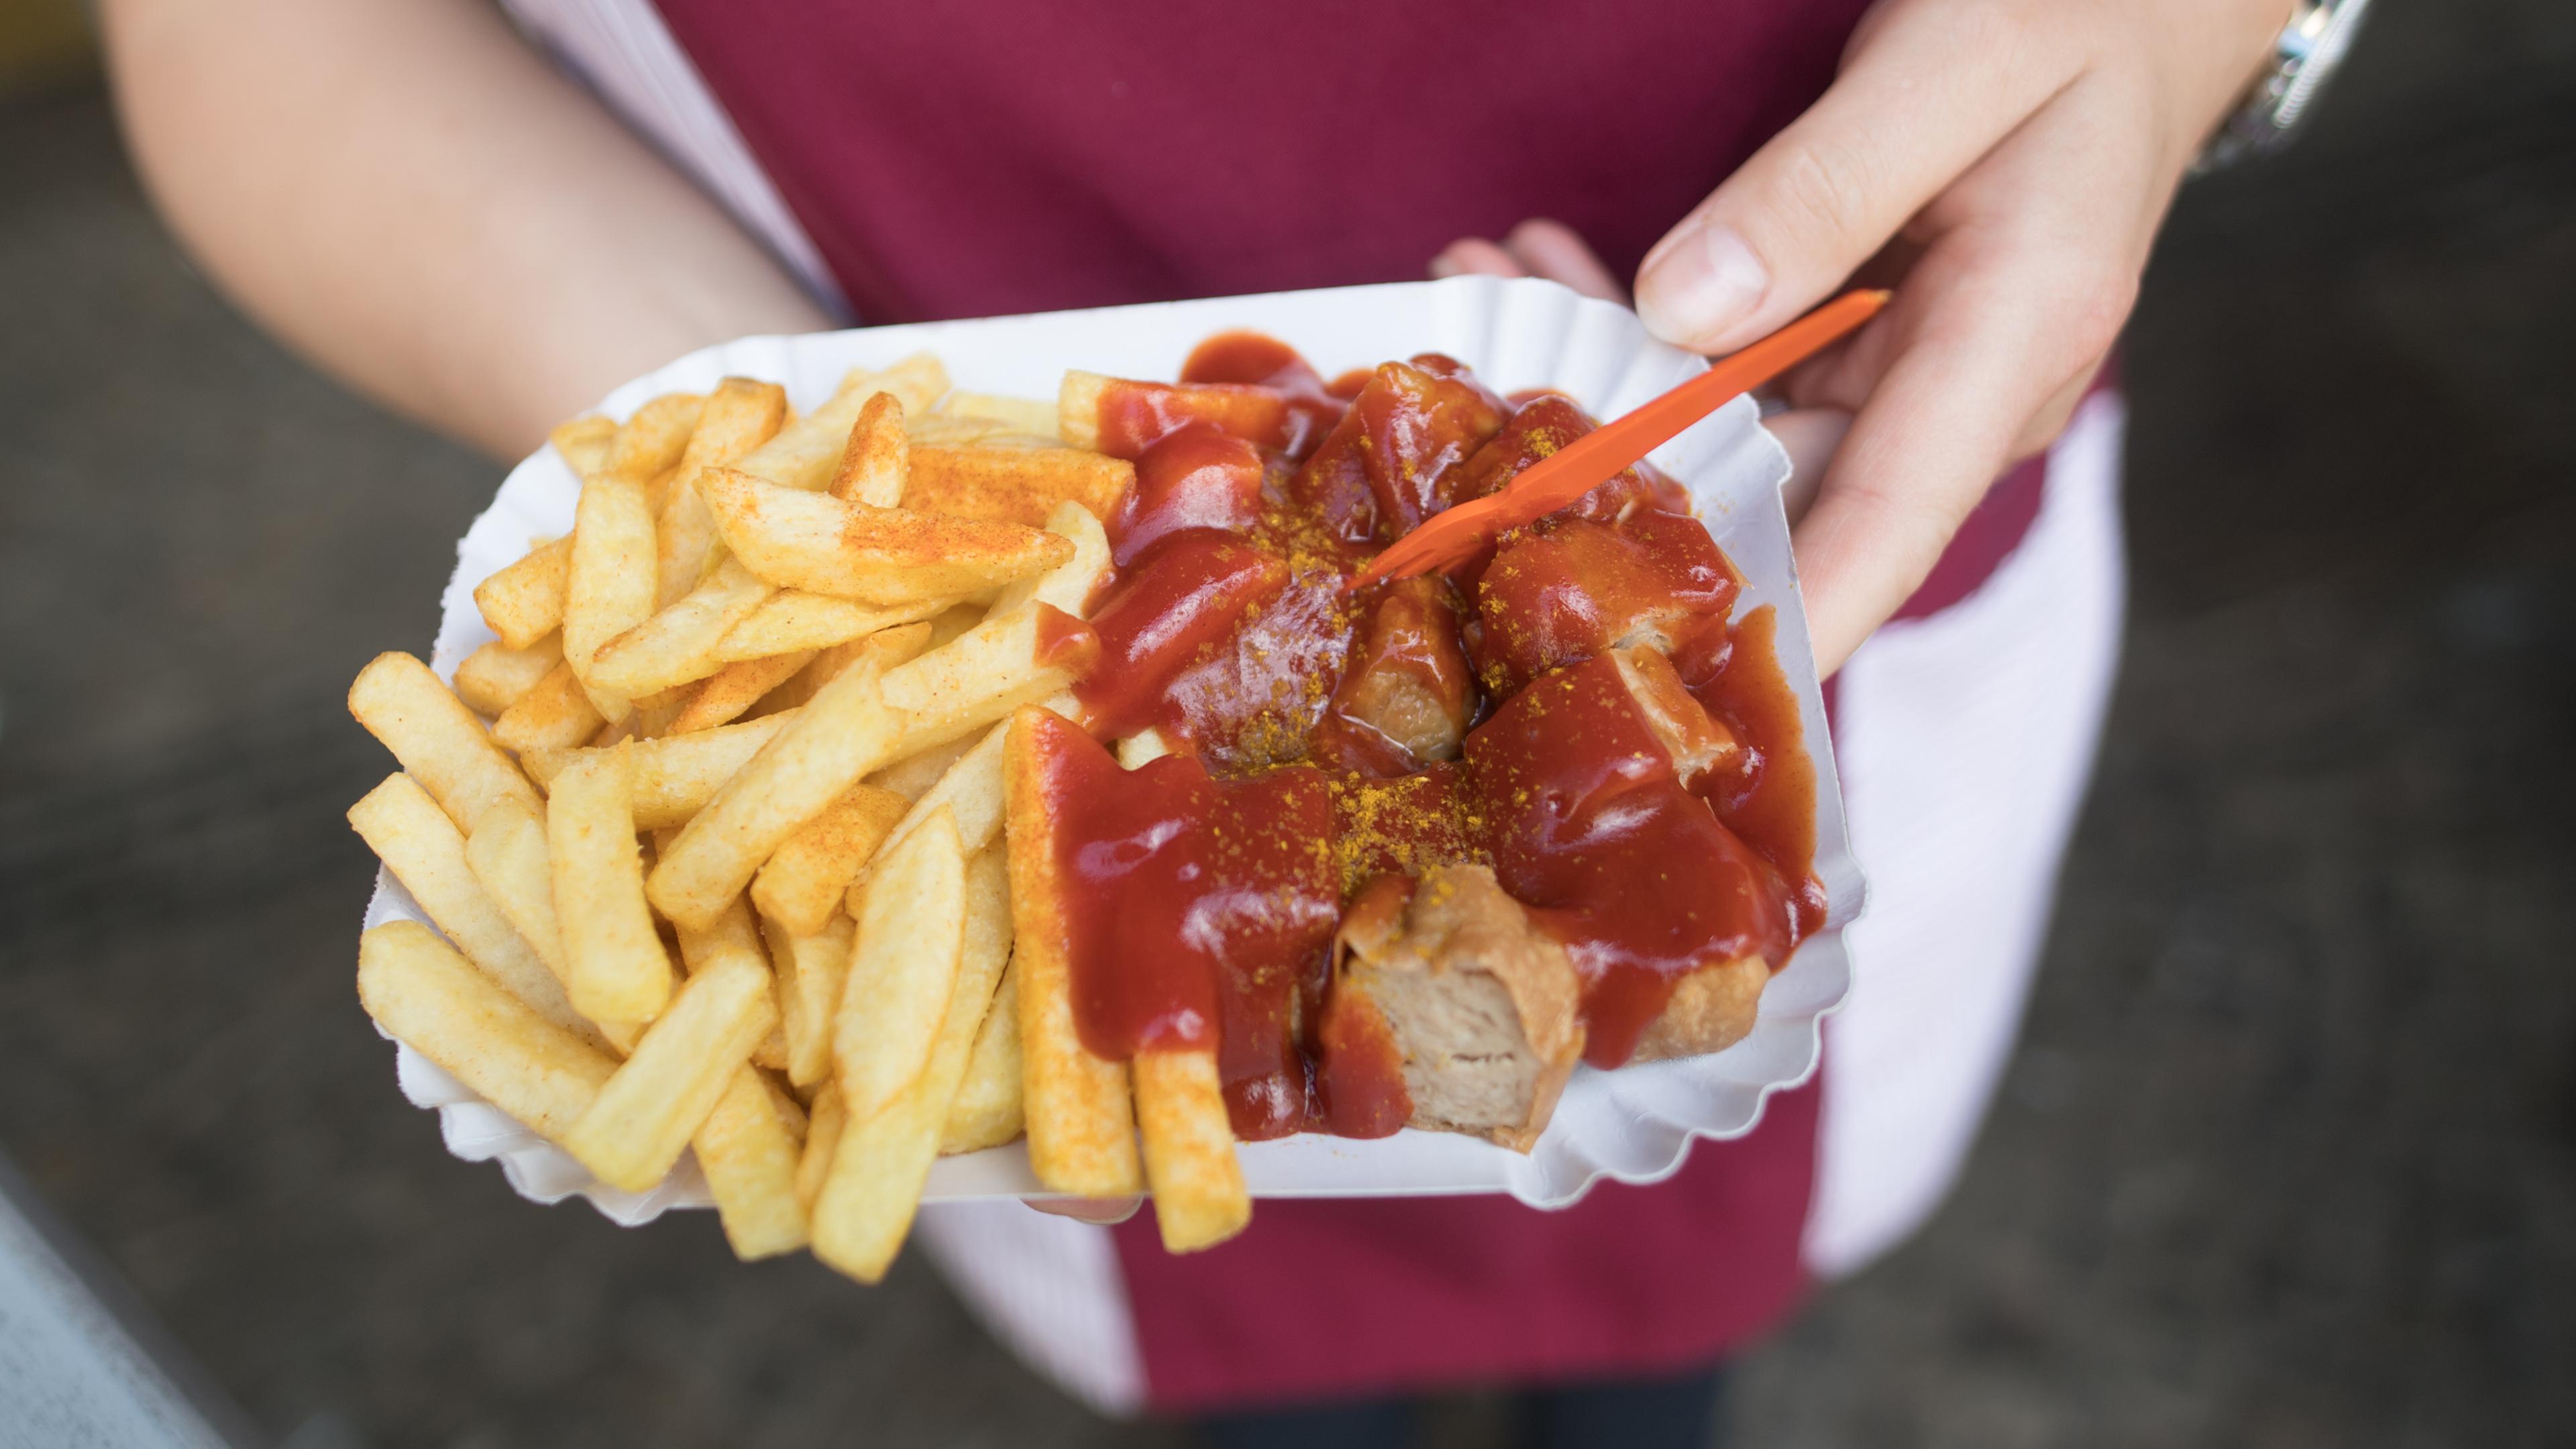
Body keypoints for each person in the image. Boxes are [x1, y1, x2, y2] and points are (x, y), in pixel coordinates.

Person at [99, 1, 2298, 1442]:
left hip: (1835, 490)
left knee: (1684, 1288)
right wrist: (823, 461)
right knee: (1243, 1366)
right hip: (935, 740)